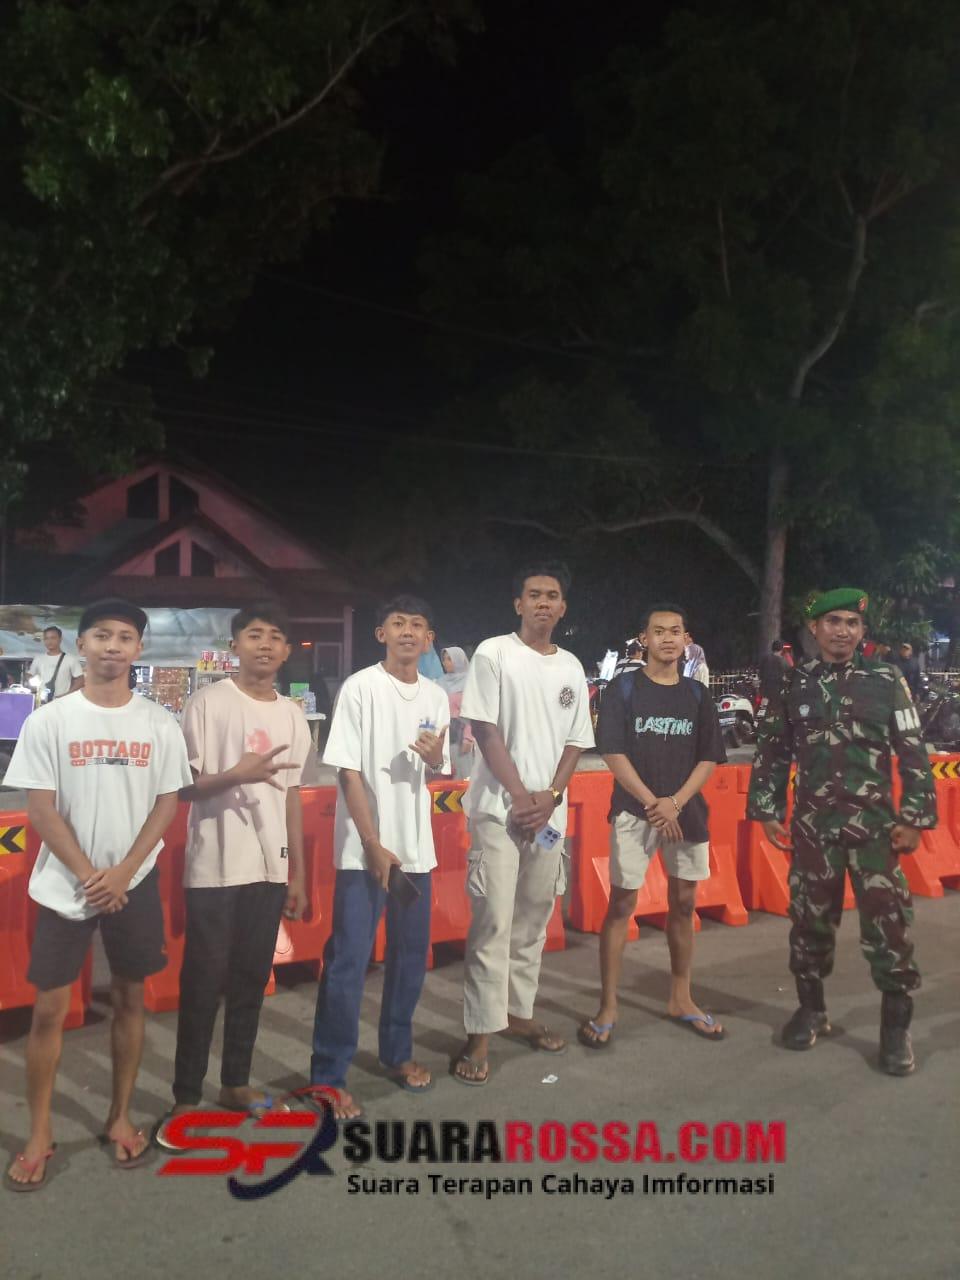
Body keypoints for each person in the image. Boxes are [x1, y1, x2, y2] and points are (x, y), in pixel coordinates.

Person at [3, 599, 191, 1190]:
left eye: (125, 637)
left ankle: (119, 1116)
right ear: (80, 645)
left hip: (134, 884)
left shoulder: (159, 723)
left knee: (131, 1002)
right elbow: (40, 809)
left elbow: (168, 802)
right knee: (49, 1012)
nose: (113, 646)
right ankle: (38, 1133)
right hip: (67, 886)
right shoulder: (50, 721)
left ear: (139, 649)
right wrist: (91, 874)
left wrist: (125, 871)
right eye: (102, 635)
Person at [747, 588, 937, 1075]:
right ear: (814, 628)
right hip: (814, 829)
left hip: (876, 830)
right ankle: (811, 1010)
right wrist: (767, 809)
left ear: (861, 630)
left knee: (888, 925)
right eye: (833, 621)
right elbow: (772, 750)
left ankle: (895, 1029)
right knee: (809, 921)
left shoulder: (886, 679)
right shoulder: (794, 684)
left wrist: (914, 818)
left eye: (852, 623)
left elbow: (913, 749)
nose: (843, 631)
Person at [155, 604, 311, 1149]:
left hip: (270, 869)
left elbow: (291, 796)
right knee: (202, 983)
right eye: (254, 635)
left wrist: (297, 874)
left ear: (286, 651)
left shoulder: (293, 715)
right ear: (235, 646)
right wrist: (235, 775)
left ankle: (236, 1083)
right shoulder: (207, 703)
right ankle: (186, 1095)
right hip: (215, 866)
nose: (264, 645)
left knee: (250, 979)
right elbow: (183, 787)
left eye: (275, 637)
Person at [453, 564, 594, 1086]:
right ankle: (481, 1030)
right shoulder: (494, 654)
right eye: (533, 594)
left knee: (534, 920)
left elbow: (577, 741)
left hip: (548, 817)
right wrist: (519, 796)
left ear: (563, 608)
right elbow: (485, 729)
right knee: (493, 921)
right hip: (499, 811)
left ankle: (518, 1013)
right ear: (518, 604)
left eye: (552, 595)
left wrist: (550, 797)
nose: (543, 603)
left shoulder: (572, 666)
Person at [311, 595, 449, 1119]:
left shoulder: (436, 695)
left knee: (409, 959)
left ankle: (397, 1054)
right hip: (364, 853)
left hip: (416, 853)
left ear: (429, 638)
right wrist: (371, 843)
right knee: (349, 963)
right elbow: (347, 770)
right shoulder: (360, 688)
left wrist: (437, 759)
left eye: (418, 625)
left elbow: (436, 768)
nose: (408, 632)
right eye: (398, 623)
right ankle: (329, 1075)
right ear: (381, 634)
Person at [579, 604, 727, 1049]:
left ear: (686, 639)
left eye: (675, 631)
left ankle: (681, 997)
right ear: (643, 639)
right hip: (633, 810)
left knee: (684, 903)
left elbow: (709, 757)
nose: (667, 638)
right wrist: (652, 803)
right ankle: (608, 1005)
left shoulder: (697, 695)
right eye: (658, 631)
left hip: (685, 812)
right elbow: (613, 752)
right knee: (622, 905)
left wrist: (675, 803)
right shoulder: (623, 689)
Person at [437, 645, 474, 778]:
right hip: (444, 735)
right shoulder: (440, 682)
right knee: (446, 776)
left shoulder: (469, 683)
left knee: (463, 775)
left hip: (461, 736)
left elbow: (473, 713)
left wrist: (468, 738)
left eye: (449, 659)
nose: (445, 662)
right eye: (444, 659)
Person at [28, 626, 84, 701]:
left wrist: (67, 695)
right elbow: (30, 675)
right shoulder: (38, 658)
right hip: (42, 702)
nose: (49, 641)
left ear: (60, 639)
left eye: (53, 638)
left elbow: (80, 680)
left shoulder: (70, 659)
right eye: (46, 638)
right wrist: (33, 686)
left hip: (62, 702)